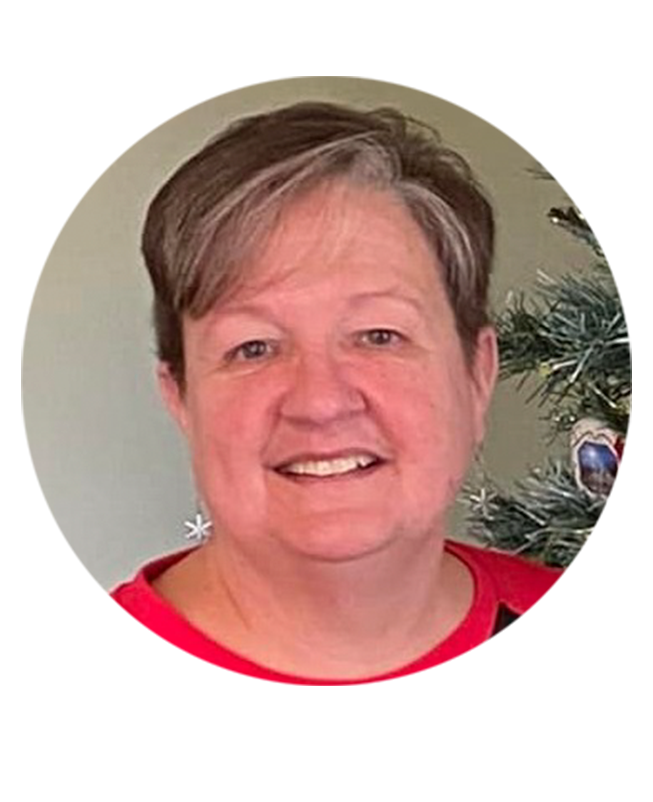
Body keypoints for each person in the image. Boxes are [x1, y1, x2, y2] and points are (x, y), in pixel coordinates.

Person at [22, 101, 631, 685]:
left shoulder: (617, 655)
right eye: (254, 347)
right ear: (180, 396)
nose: (320, 401)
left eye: (379, 335)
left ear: (477, 374)